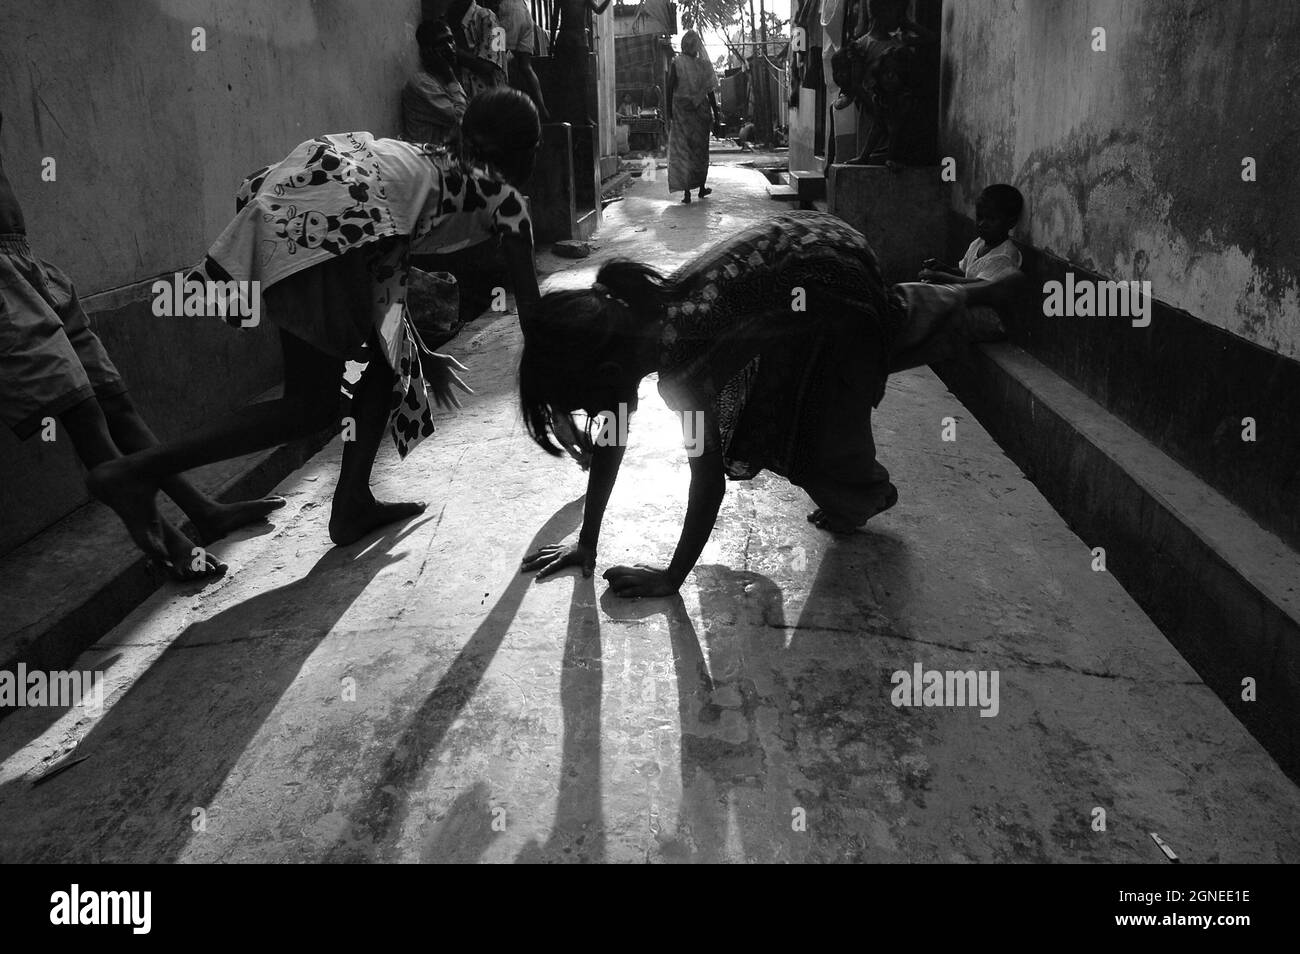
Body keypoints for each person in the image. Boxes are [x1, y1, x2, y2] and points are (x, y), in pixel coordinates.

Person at [87, 89, 546, 565]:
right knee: (313, 404)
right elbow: (532, 316)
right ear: (527, 152)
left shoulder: (432, 160)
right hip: (331, 219)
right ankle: (137, 470)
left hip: (302, 202)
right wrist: (550, 399)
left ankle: (352, 503)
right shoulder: (506, 200)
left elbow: (384, 262)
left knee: (376, 372)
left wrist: (420, 358)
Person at [517, 210, 1022, 596]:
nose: (593, 420)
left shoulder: (683, 369)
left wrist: (672, 577)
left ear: (609, 376)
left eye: (581, 406)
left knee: (819, 419)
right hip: (813, 243)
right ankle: (974, 298)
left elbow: (707, 479)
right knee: (786, 406)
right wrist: (587, 540)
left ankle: (975, 305)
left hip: (836, 278)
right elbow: (614, 429)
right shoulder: (637, 314)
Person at [0, 108, 283, 580]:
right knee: (82, 412)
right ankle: (172, 546)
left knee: (117, 403)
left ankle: (205, 511)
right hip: (6, 288)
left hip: (26, 261)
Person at [914, 183, 1024, 356]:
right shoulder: (978, 244)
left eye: (991, 219)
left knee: (939, 319)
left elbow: (981, 287)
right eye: (979, 217)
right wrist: (943, 268)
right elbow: (964, 273)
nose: (982, 224)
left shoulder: (1004, 255)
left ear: (1011, 222)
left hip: (992, 320)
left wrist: (943, 277)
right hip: (971, 307)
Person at [840, 0, 935, 169]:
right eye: (896, 12)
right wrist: (875, 109)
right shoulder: (862, 45)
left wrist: (908, 24)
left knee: (891, 156)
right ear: (880, 11)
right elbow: (856, 84)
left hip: (894, 105)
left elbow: (931, 39)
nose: (899, 17)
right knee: (870, 164)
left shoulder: (900, 41)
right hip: (873, 107)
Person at [666, 31, 720, 204]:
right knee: (700, 153)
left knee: (685, 153)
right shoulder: (704, 65)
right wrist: (716, 114)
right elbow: (710, 93)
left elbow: (669, 89)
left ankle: (688, 192)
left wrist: (669, 112)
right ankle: (701, 188)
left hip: (683, 115)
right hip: (699, 114)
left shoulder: (677, 63)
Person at [401, 20, 468, 145]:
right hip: (423, 159)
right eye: (440, 44)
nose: (450, 48)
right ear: (427, 52)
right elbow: (461, 118)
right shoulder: (421, 83)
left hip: (438, 158)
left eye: (450, 40)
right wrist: (449, 74)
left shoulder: (442, 81)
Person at [487, 0, 550, 121]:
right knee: (526, 67)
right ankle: (542, 110)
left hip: (507, 11)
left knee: (497, 59)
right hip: (524, 12)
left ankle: (500, 106)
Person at [448, 0, 508, 100]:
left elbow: (490, 65)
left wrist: (454, 51)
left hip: (490, 99)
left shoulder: (490, 18)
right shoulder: (450, 17)